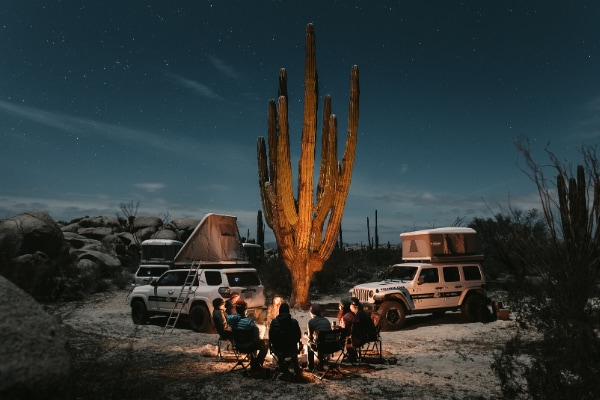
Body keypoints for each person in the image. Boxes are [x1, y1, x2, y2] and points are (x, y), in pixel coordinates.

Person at [268, 303, 302, 380]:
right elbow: (298, 336)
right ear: (288, 311)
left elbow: (271, 337)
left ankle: (282, 366)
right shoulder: (294, 322)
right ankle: (296, 369)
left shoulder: (274, 322)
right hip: (291, 350)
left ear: (280, 311)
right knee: (291, 348)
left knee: (281, 346)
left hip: (278, 349)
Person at [232, 300, 268, 372]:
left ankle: (253, 361)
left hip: (238, 345)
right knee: (265, 344)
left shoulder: (233, 320)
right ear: (245, 311)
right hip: (249, 346)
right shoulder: (249, 321)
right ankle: (257, 363)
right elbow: (256, 333)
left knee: (255, 341)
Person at [306, 303, 331, 371]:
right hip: (331, 346)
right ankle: (321, 365)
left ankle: (310, 366)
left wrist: (307, 336)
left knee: (309, 343)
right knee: (320, 341)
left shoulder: (311, 322)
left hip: (321, 347)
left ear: (311, 313)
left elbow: (310, 337)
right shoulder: (326, 320)